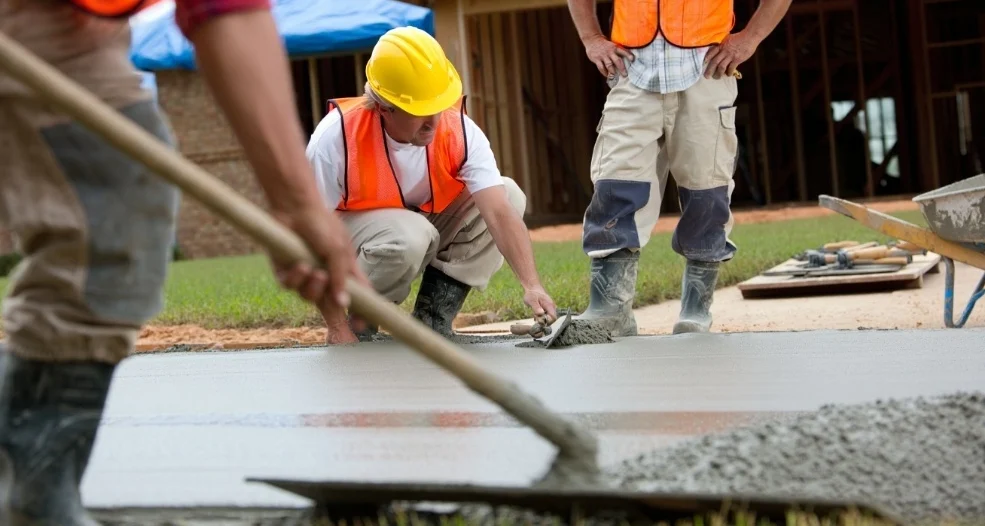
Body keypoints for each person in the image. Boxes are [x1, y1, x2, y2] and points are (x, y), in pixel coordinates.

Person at [0, 0, 368, 523]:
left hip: (72, 28)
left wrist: (295, 203)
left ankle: (33, 489)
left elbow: (225, 9)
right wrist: (297, 204)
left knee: (121, 202)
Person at [305, 27, 558, 344]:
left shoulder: (460, 132)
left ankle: (432, 318)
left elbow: (498, 212)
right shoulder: (336, 138)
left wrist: (532, 285)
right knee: (410, 235)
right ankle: (358, 321)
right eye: (420, 111)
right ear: (384, 107)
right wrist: (336, 328)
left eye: (437, 106)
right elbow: (312, 233)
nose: (434, 122)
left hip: (414, 227)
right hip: (354, 237)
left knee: (508, 195)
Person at [567, 0, 790, 335]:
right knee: (615, 185)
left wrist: (748, 39)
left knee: (706, 191)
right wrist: (591, 38)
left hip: (705, 70)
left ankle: (695, 309)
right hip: (632, 71)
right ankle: (609, 310)